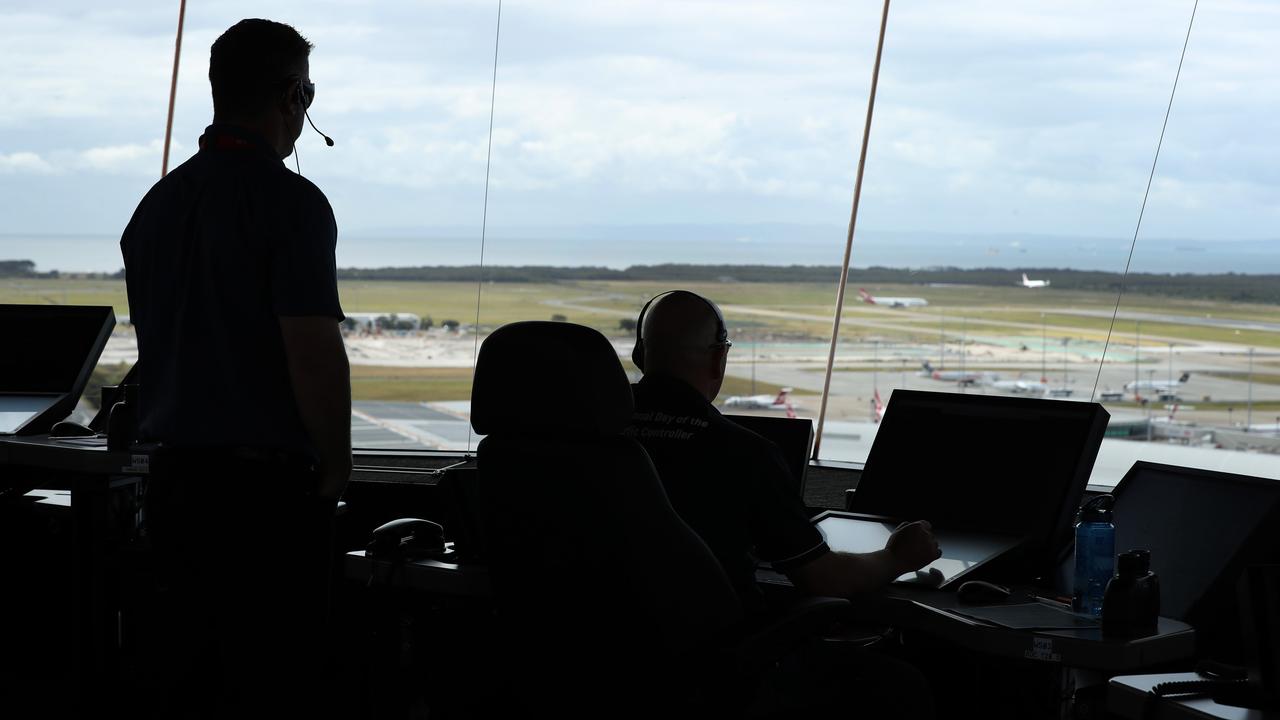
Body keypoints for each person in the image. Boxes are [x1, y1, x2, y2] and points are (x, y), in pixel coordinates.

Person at [120, 18, 350, 717]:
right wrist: (336, 466)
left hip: (174, 491)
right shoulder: (291, 203)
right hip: (264, 504)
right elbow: (311, 349)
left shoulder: (155, 208)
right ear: (293, 95)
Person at [626, 290, 940, 718]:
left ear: (639, 355)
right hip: (705, 670)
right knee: (904, 684)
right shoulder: (740, 453)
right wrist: (895, 557)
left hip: (580, 664)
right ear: (719, 360)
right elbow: (825, 579)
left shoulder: (580, 444)